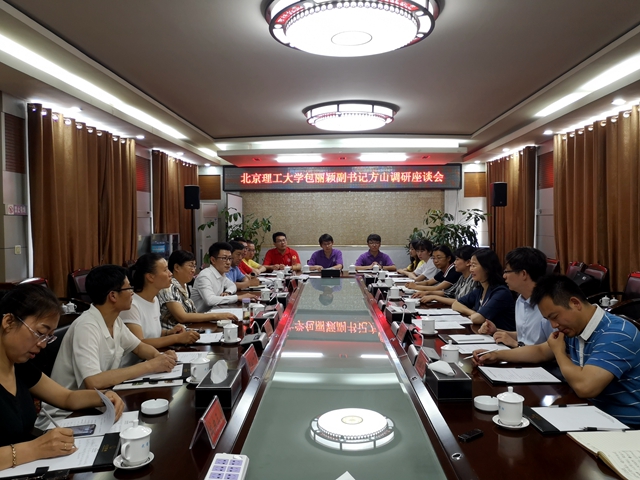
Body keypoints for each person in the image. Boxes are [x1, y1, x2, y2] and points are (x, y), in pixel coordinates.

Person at [474, 275, 640, 426]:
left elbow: (585, 387)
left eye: (554, 317)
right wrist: (497, 355)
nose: (553, 325)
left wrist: (559, 352)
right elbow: (541, 351)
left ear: (575, 303)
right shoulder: (576, 326)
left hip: (625, 426)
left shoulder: (617, 333)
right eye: (548, 319)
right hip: (590, 414)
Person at [0, 285, 124, 470]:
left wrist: (103, 397)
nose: (42, 345)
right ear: (9, 322)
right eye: (40, 333)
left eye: (48, 337)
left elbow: (66, 397)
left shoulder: (19, 366)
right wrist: (34, 449)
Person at [43, 265, 176, 420]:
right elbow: (93, 382)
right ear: (113, 296)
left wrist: (160, 357)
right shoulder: (86, 326)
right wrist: (150, 365)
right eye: (128, 288)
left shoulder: (114, 320)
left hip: (99, 403)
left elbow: (139, 347)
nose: (132, 293)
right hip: (67, 415)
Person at [120, 254, 200, 366]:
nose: (170, 274)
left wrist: (169, 332)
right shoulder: (131, 305)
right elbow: (140, 343)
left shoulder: (155, 300)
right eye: (165, 270)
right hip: (135, 366)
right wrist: (176, 338)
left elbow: (151, 333)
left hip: (153, 359)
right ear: (150, 277)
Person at [478, 247, 554, 347]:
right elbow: (524, 336)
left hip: (531, 357)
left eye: (507, 271)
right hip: (519, 353)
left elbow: (553, 348)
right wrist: (496, 331)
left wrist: (516, 344)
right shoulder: (520, 300)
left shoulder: (549, 305)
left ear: (523, 274)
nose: (504, 276)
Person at [158, 250, 238, 329]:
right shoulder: (169, 287)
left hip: (189, 328)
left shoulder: (183, 285)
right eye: (190, 266)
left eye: (194, 266)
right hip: (173, 333)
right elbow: (182, 317)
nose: (193, 270)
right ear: (177, 267)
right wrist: (217, 316)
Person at [452, 248, 516, 331]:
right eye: (471, 265)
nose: (471, 269)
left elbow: (478, 319)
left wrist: (477, 315)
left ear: (487, 268)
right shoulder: (480, 290)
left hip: (503, 337)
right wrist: (473, 313)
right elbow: (455, 304)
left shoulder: (501, 292)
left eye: (474, 265)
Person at [191, 242, 258, 312]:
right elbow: (210, 300)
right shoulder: (205, 276)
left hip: (215, 312)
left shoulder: (221, 274)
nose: (228, 262)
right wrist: (237, 297)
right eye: (224, 258)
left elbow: (232, 285)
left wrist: (228, 292)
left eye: (230, 258)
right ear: (213, 260)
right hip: (201, 316)